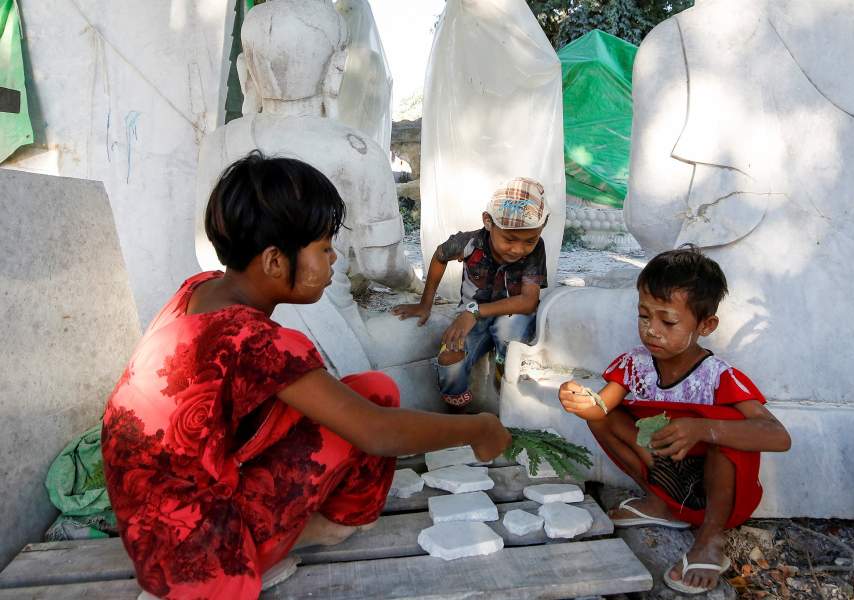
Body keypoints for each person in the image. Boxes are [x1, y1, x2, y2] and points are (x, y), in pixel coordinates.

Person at [102, 153, 511, 600]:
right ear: (276, 261)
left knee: (370, 390)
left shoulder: (199, 290)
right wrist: (478, 427)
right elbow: (377, 433)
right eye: (323, 247)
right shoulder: (257, 341)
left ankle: (289, 534)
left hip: (148, 524)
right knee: (371, 413)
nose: (334, 258)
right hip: (196, 556)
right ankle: (276, 545)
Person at [557, 247, 791, 595]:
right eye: (643, 316)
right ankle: (661, 504)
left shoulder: (717, 377)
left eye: (667, 321)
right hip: (665, 476)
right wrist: (579, 400)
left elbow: (778, 436)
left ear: (705, 325)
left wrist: (703, 428)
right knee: (608, 418)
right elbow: (601, 409)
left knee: (729, 427)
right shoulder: (633, 365)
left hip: (716, 494)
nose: (652, 331)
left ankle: (710, 538)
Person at [393, 177, 549, 410]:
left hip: (511, 315)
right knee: (449, 357)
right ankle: (460, 410)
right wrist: (426, 304)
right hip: (472, 319)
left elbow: (528, 302)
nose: (518, 249)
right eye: (509, 239)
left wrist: (474, 312)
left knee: (508, 331)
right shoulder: (469, 243)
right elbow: (440, 255)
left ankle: (505, 375)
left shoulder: (536, 251)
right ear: (488, 222)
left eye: (530, 241)